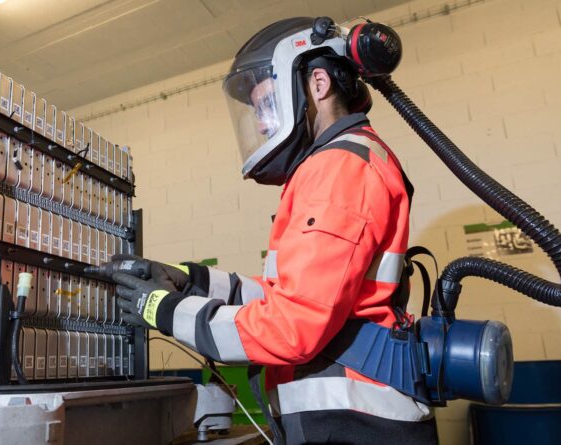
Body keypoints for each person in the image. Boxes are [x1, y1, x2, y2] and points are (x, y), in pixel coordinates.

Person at [97, 17, 438, 444]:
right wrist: (190, 280)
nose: (260, 124)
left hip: (358, 426)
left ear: (318, 84)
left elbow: (291, 327)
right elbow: (292, 296)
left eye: (265, 105)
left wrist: (164, 311)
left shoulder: (339, 168)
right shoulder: (341, 164)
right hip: (351, 422)